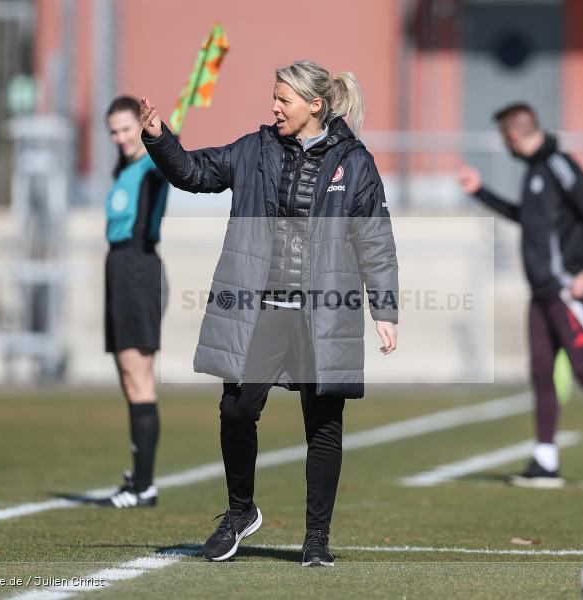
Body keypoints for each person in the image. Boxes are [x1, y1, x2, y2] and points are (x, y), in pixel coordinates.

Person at [139, 60, 399, 566]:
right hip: (260, 310)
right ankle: (239, 514)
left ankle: (316, 540)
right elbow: (194, 172)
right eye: (274, 97)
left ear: (315, 105)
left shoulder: (356, 162)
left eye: (283, 98)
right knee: (236, 409)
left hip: (323, 315)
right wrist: (159, 137)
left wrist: (384, 309)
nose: (274, 106)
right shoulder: (253, 149)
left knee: (323, 425)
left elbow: (376, 241)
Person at [457, 102, 583, 488]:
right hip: (541, 293)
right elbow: (525, 218)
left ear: (513, 135)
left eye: (503, 138)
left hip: (566, 290)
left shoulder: (559, 166)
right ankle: (545, 462)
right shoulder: (533, 173)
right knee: (542, 373)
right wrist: (481, 193)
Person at [102, 96, 169, 508]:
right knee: (128, 378)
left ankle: (145, 483)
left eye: (126, 128)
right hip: (118, 267)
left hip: (138, 268)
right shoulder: (124, 168)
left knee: (139, 376)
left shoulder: (149, 167)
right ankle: (139, 476)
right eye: (113, 130)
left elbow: (167, 161)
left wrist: (157, 134)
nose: (120, 137)